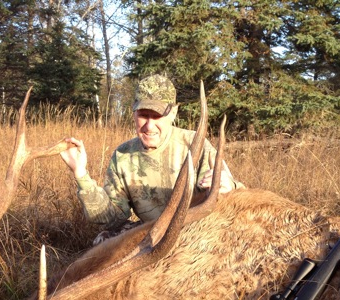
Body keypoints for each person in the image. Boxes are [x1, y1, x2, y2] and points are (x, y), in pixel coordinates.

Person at [60, 74, 243, 243]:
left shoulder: (196, 145)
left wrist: (230, 187)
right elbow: (112, 220)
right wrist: (81, 174)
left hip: (196, 235)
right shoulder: (123, 155)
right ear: (133, 113)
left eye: (157, 116)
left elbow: (239, 201)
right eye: (143, 115)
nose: (149, 126)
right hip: (152, 234)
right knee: (104, 240)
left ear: (173, 113)